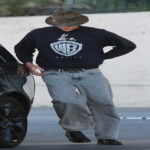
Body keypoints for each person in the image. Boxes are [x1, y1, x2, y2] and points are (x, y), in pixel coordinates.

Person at [14, 10, 136, 145]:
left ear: (78, 22)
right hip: (55, 73)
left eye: (69, 23)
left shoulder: (96, 33)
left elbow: (127, 45)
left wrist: (103, 56)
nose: (65, 25)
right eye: (60, 23)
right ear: (54, 22)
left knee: (103, 102)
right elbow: (22, 48)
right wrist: (29, 64)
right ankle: (73, 129)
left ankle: (107, 136)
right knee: (65, 100)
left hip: (90, 72)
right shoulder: (39, 34)